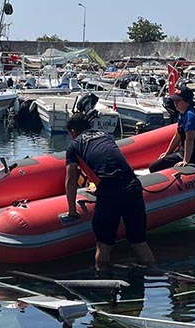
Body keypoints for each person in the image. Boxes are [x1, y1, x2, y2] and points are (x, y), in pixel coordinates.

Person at [64, 113, 155, 267]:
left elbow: (70, 180)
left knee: (104, 245)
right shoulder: (105, 136)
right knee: (139, 242)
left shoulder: (74, 146)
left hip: (111, 191)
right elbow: (107, 161)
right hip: (132, 186)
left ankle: (103, 283)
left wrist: (72, 210)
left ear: (73, 132)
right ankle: (153, 273)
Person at [148, 87, 195, 172]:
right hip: (182, 151)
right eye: (174, 100)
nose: (175, 103)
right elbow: (177, 135)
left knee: (154, 167)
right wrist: (167, 153)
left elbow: (190, 139)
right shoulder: (182, 114)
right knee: (159, 162)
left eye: (178, 101)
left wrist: (186, 160)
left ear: (186, 101)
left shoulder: (191, 116)